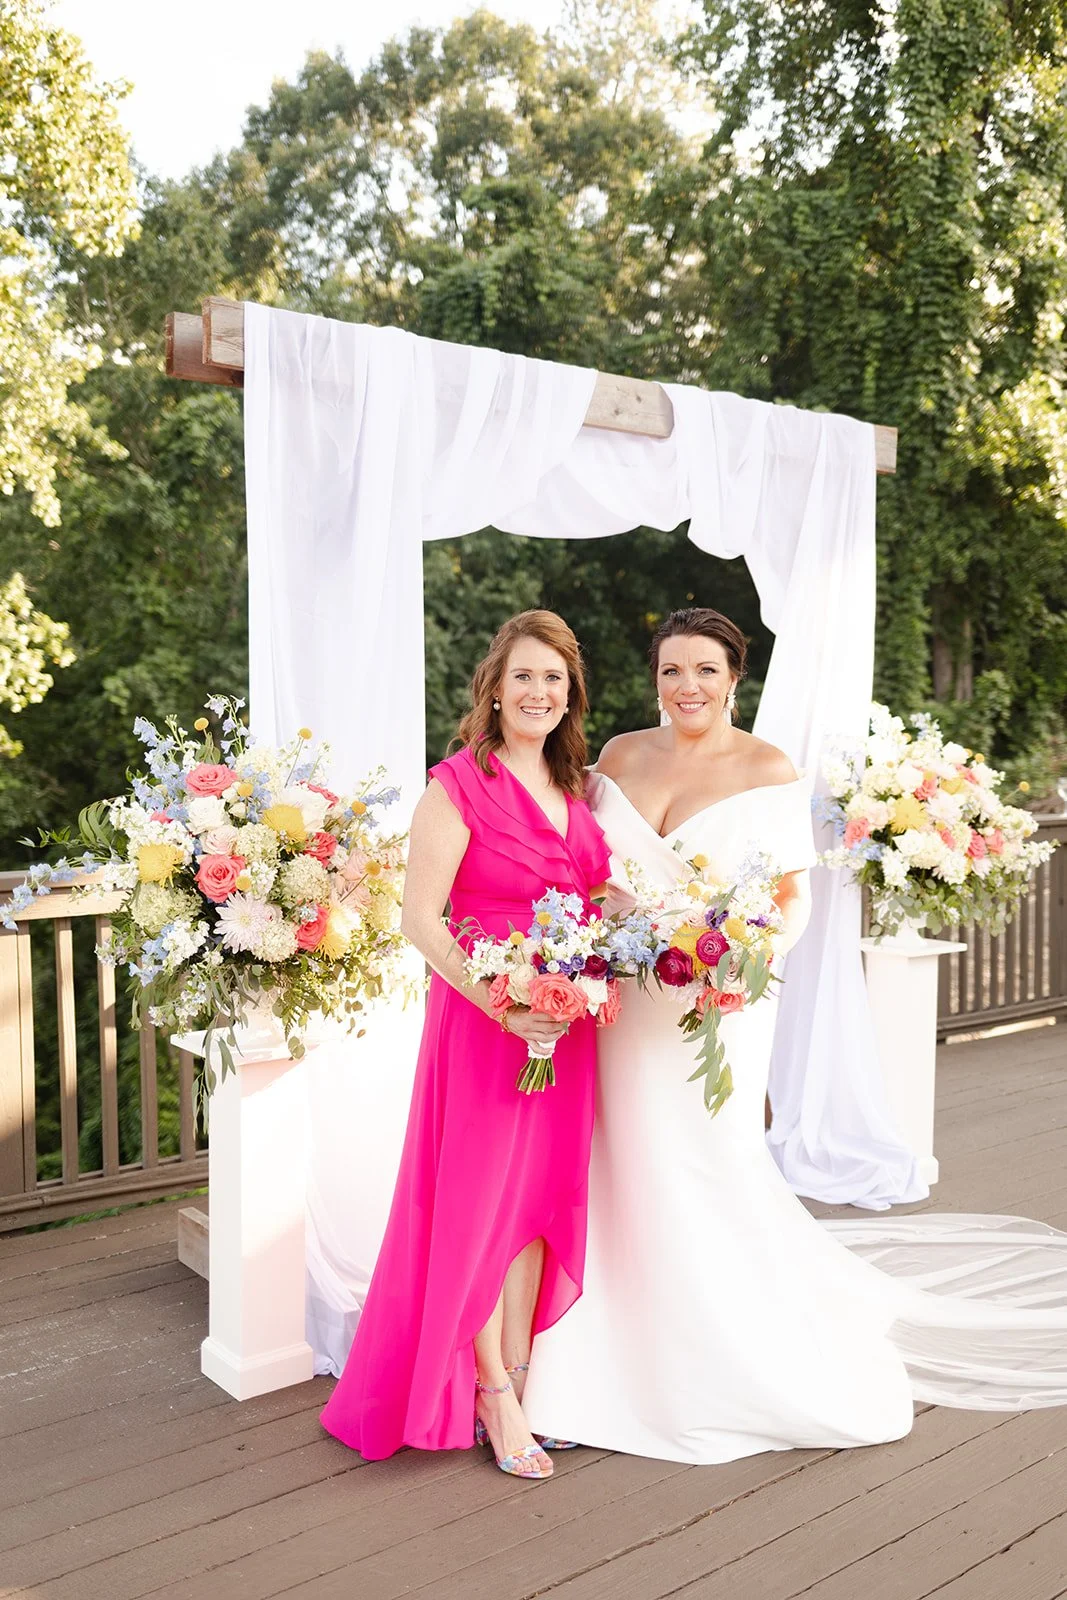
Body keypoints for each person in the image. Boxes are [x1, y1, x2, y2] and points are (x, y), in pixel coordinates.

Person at [522, 606, 1067, 1464]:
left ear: (734, 679)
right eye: (671, 670)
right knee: (613, 1160)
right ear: (653, 678)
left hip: (714, 1005)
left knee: (699, 1161)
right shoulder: (618, 756)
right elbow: (581, 869)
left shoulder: (766, 767)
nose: (687, 686)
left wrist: (737, 963)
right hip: (622, 1002)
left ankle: (712, 1355)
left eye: (705, 670)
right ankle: (592, 1353)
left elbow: (788, 902)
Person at [320, 610, 611, 1479]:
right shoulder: (455, 786)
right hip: (487, 1026)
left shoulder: (577, 791)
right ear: (493, 688)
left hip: (564, 1027)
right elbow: (419, 920)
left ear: (570, 695)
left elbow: (599, 899)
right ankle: (490, 1393)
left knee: (537, 1204)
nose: (538, 692)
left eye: (553, 679)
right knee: (479, 1205)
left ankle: (520, 1377)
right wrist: (502, 1004)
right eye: (523, 676)